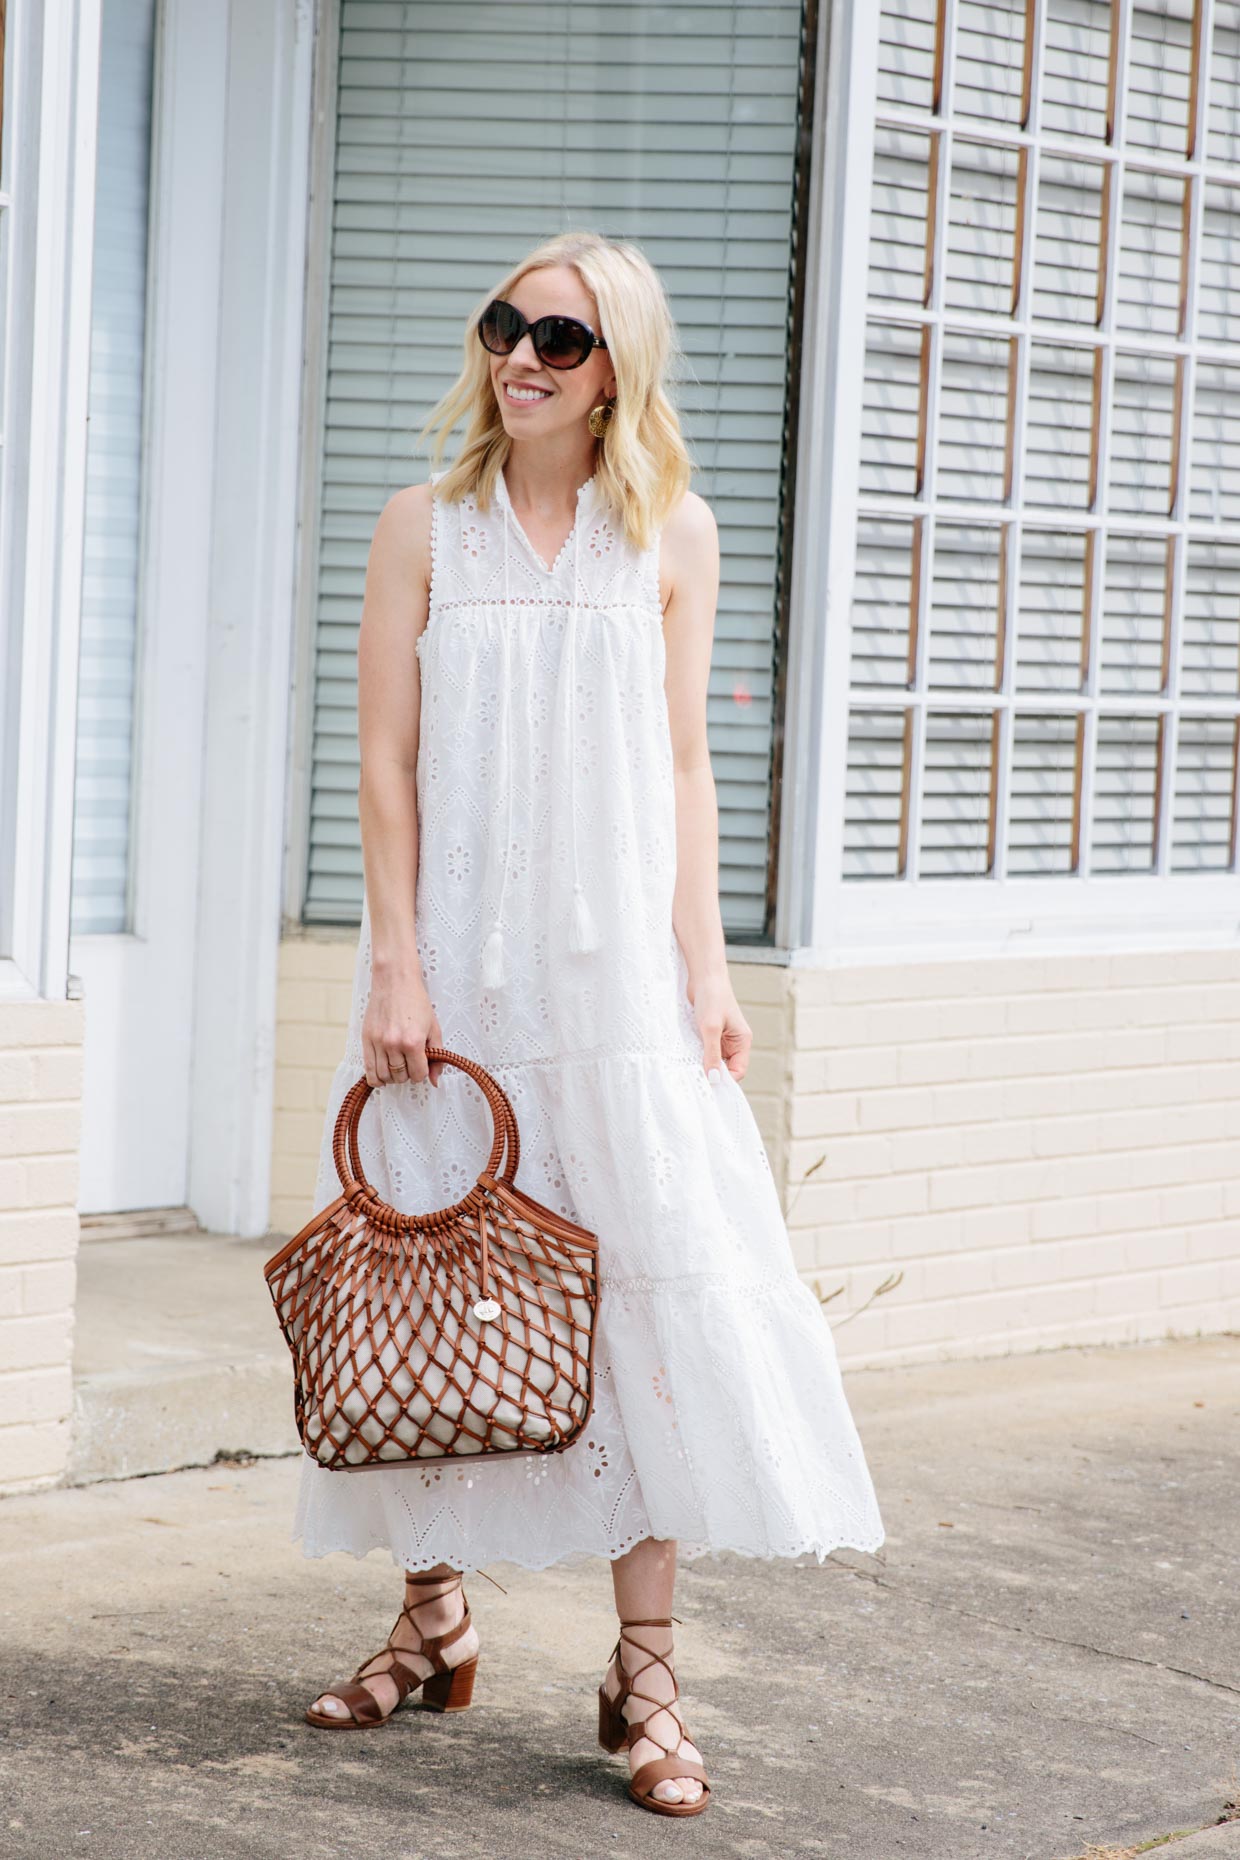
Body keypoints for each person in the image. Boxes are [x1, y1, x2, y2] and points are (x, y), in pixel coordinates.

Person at [294, 230, 885, 1816]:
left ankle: (648, 1675)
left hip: (616, 982)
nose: (523, 360)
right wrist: (395, 963)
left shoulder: (667, 534)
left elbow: (686, 770)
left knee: (646, 1309)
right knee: (422, 1295)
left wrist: (709, 970)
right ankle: (431, 1619)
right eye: (504, 328)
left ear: (616, 362)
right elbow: (388, 765)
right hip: (456, 981)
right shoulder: (423, 527)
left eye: (559, 337)